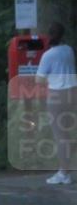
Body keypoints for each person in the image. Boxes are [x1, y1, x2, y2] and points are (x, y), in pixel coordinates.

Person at [35, 21, 77, 185]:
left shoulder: (48, 55)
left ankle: (63, 173)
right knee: (69, 133)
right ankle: (66, 169)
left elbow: (39, 80)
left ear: (48, 36)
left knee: (60, 135)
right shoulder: (69, 50)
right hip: (73, 92)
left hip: (57, 95)